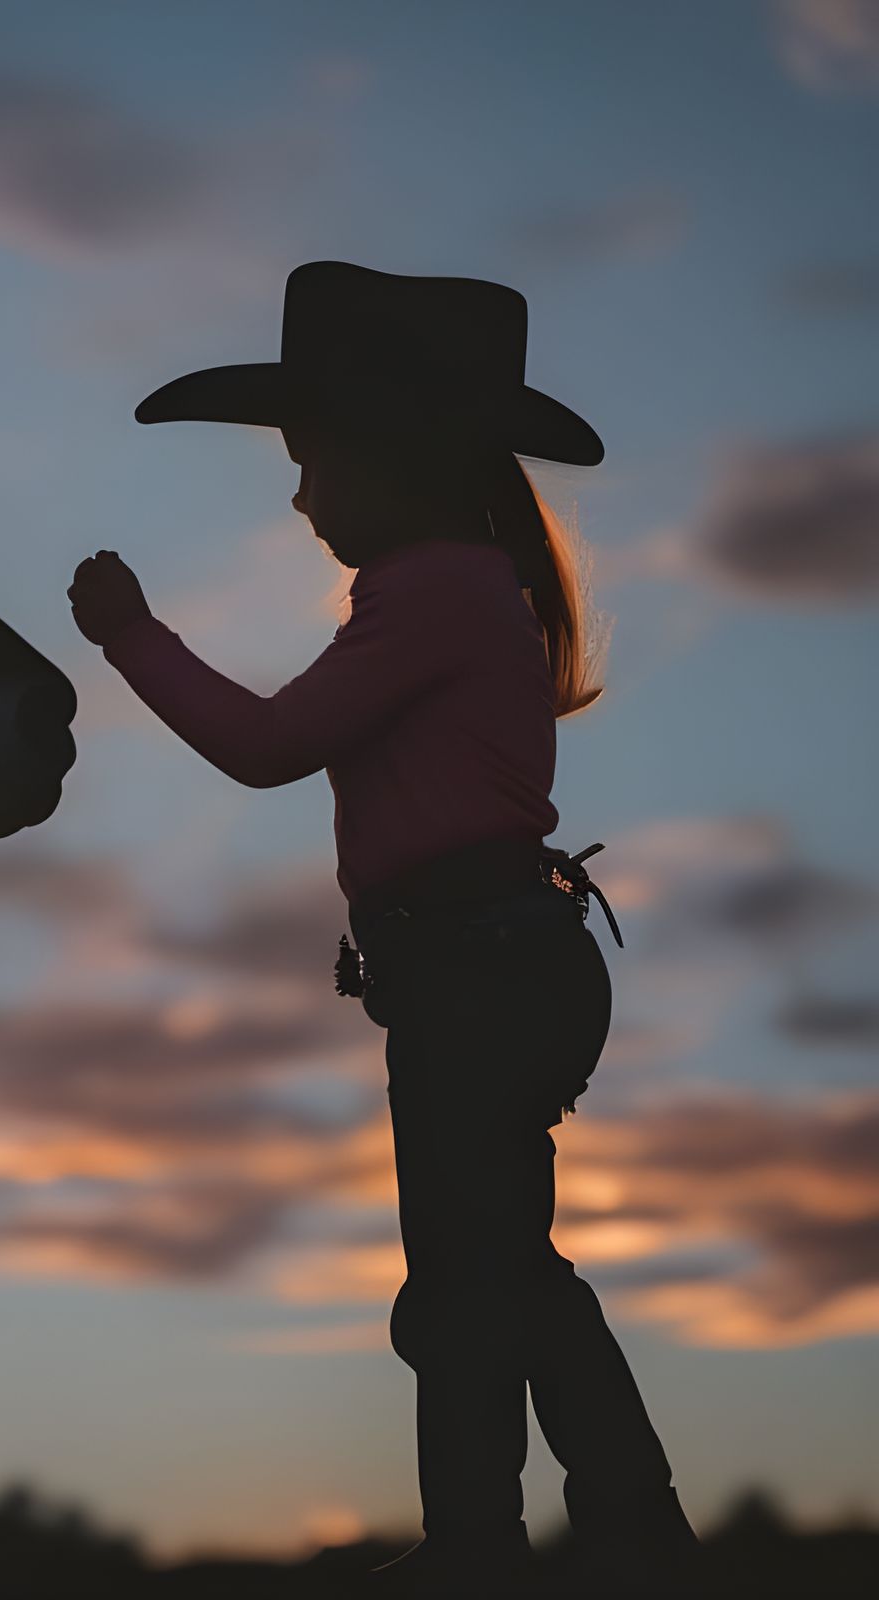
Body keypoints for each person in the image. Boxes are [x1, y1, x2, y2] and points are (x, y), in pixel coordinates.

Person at [69, 263, 701, 1595]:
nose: (301, 499)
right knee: (489, 1269)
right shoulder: (460, 590)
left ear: (397, 458)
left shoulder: (432, 593)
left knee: (477, 1276)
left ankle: (522, 1540)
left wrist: (132, 638)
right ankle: (578, 1531)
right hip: (484, 965)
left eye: (314, 464)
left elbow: (267, 746)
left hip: (478, 969)